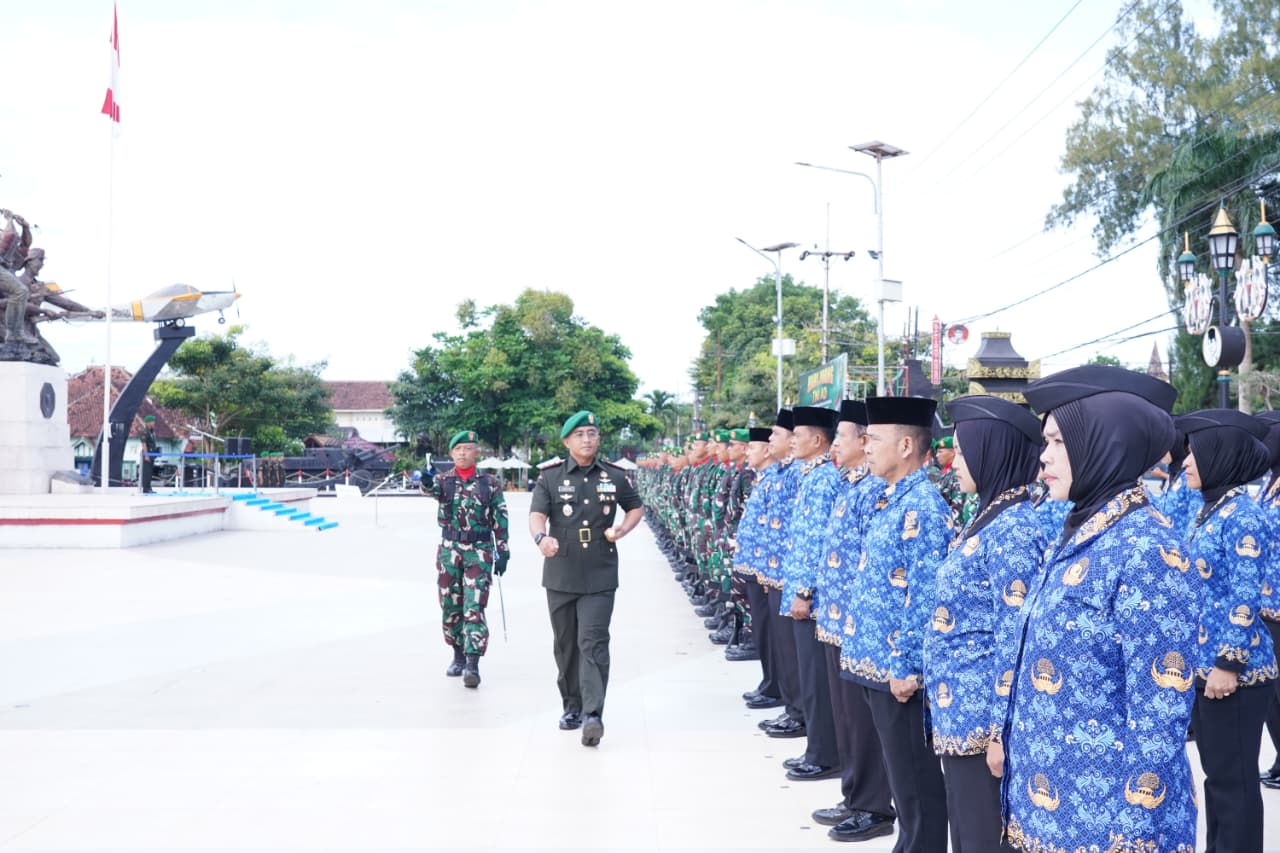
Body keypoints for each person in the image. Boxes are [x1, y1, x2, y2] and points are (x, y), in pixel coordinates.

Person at [1003, 365, 1197, 853]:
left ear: (1103, 444)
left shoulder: (1147, 549)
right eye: (1044, 442)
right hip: (1051, 807)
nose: (1043, 456)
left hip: (1108, 825)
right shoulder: (1080, 528)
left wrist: (1132, 832)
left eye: (1058, 442)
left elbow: (1160, 710)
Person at [923, 395, 1045, 853]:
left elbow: (1016, 640)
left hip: (982, 726)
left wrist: (1000, 734)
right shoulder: (990, 515)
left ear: (991, 452)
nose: (953, 463)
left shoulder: (1014, 529)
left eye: (962, 451)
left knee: (983, 840)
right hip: (960, 715)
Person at [840, 396, 952, 850]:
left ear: (906, 446)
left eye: (874, 439)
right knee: (901, 781)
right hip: (875, 660)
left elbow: (925, 595)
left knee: (915, 784)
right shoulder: (891, 499)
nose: (866, 447)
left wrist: (908, 665)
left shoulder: (923, 506)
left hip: (898, 670)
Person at [1179, 409, 1275, 851]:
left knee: (1233, 785)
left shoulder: (1242, 516)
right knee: (1218, 779)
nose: (1185, 462)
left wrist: (1227, 664)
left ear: (1218, 455)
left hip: (1235, 672)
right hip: (1206, 666)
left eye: (1193, 453)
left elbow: (1245, 596)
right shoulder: (1213, 509)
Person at [528, 411, 644, 747]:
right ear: (567, 441)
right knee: (566, 645)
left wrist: (622, 529)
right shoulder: (550, 476)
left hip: (599, 569)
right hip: (561, 571)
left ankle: (593, 714)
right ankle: (572, 706)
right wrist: (541, 539)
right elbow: (537, 515)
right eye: (579, 434)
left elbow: (635, 507)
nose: (587, 439)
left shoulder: (614, 475)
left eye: (592, 433)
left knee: (593, 641)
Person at [811, 400, 895, 842]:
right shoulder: (850, 484)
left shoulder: (873, 490)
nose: (835, 445)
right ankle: (854, 795)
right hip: (836, 618)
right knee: (846, 717)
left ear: (864, 442)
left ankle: (873, 805)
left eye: (841, 437)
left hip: (857, 625)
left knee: (862, 723)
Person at [777, 406, 843, 781]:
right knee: (810, 678)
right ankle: (816, 748)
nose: (792, 441)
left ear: (817, 440)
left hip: (813, 600)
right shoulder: (812, 476)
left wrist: (804, 592)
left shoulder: (822, 480)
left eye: (798, 435)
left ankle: (823, 754)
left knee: (817, 682)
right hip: (803, 594)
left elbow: (818, 541)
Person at [426, 429, 510, 689]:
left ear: (477, 452)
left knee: (474, 605)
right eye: (458, 449)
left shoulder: (489, 483)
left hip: (479, 550)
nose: (462, 453)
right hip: (449, 550)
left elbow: (500, 516)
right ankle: (458, 654)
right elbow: (429, 490)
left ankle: (472, 664)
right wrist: (425, 480)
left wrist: (503, 550)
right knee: (450, 604)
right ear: (452, 453)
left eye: (468, 448)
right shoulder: (443, 480)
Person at [16, 248, 104, 363]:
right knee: (36, 356)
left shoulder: (40, 286)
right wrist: (43, 312)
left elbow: (66, 303)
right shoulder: (16, 282)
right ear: (29, 262)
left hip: (32, 329)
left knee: (53, 358)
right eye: (40, 260)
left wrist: (90, 312)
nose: (42, 264)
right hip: (16, 329)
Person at [0, 209, 35, 345]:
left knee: (21, 292)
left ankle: (15, 334)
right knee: (20, 291)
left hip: (4, 270)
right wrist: (9, 219)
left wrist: (25, 227)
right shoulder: (6, 235)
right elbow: (10, 235)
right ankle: (15, 334)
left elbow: (25, 244)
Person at [140, 415, 161, 494]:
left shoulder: (152, 432)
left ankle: (149, 487)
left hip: (152, 454)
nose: (153, 423)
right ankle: (146, 488)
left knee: (150, 472)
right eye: (152, 421)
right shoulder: (145, 432)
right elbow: (144, 444)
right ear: (148, 423)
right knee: (147, 471)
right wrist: (146, 455)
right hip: (147, 454)